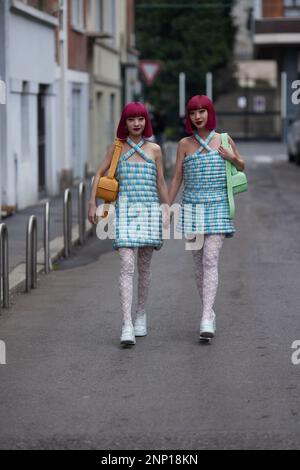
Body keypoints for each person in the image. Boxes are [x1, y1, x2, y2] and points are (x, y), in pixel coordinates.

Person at [89, 102, 169, 346]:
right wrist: (92, 203)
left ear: (146, 121)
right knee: (126, 265)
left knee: (144, 269)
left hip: (148, 214)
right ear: (124, 123)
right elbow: (99, 175)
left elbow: (161, 183)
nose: (136, 123)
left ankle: (141, 314)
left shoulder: (155, 149)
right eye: (132, 119)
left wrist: (167, 208)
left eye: (140, 118)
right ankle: (126, 324)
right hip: (124, 214)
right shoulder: (116, 149)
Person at [168, 95, 245, 341]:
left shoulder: (223, 139)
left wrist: (231, 158)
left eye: (202, 111)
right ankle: (209, 312)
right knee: (199, 266)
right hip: (191, 208)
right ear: (189, 117)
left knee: (210, 259)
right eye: (193, 113)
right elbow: (177, 177)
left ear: (209, 113)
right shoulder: (184, 144)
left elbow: (242, 165)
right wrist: (167, 207)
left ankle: (204, 318)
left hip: (219, 207)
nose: (197, 116)